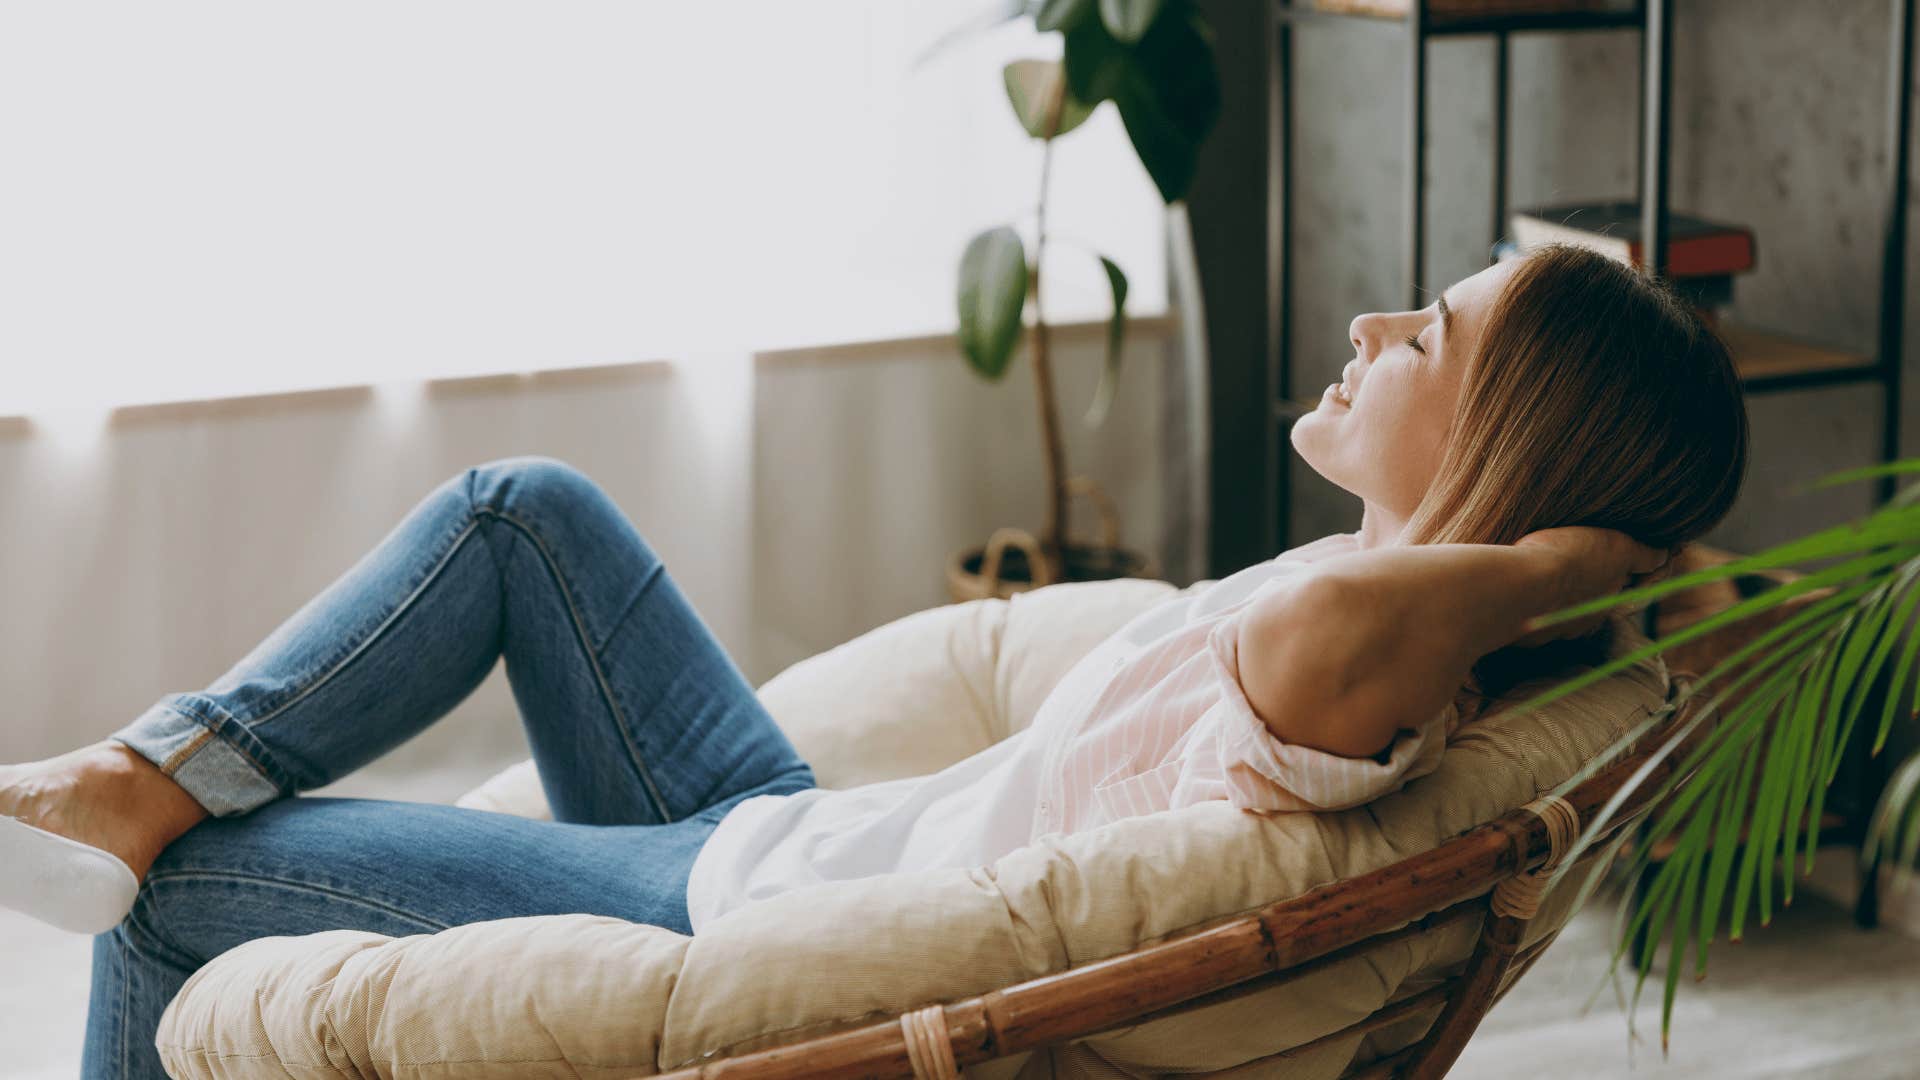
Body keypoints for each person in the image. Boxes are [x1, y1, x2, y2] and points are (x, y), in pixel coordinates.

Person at [0, 244, 1746, 1079]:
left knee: (178, 892)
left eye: (1429, 332)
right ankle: (154, 765)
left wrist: (1563, 552)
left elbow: (1344, 631)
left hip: (727, 908)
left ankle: (147, 802)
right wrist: (1584, 558)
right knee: (523, 511)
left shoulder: (1342, 672)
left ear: (1509, 451)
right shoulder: (1366, 609)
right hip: (811, 837)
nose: (1373, 325)